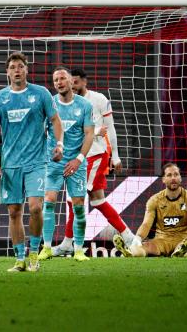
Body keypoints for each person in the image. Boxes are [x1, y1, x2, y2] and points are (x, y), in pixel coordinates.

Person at [0, 51, 64, 272]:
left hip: (37, 162)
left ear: (27, 69)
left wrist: (59, 145)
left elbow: (55, 120)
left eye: (20, 66)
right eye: (12, 67)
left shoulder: (41, 94)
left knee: (36, 207)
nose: (17, 70)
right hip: (10, 164)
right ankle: (19, 259)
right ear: (7, 72)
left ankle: (33, 254)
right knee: (13, 212)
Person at [52, 68, 137, 256]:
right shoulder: (65, 104)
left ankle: (67, 243)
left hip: (94, 155)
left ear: (84, 82)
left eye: (74, 82)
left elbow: (111, 128)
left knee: (75, 199)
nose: (71, 85)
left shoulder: (98, 99)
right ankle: (130, 237)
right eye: (68, 82)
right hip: (75, 157)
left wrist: (115, 156)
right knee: (98, 201)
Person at [37, 68, 94, 262]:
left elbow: (89, 134)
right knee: (49, 201)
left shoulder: (85, 105)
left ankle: (78, 249)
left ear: (71, 81)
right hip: (53, 161)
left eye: (62, 78)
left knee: (78, 206)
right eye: (55, 80)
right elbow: (40, 131)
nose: (59, 82)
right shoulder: (49, 104)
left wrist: (78, 159)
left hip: (76, 163)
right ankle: (46, 247)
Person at [114, 163, 187, 257]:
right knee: (145, 247)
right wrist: (138, 239)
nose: (173, 178)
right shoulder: (154, 200)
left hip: (182, 239)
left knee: (185, 249)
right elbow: (146, 224)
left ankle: (185, 251)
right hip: (161, 240)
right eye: (169, 175)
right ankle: (130, 252)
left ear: (180, 177)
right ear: (163, 179)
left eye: (176, 174)